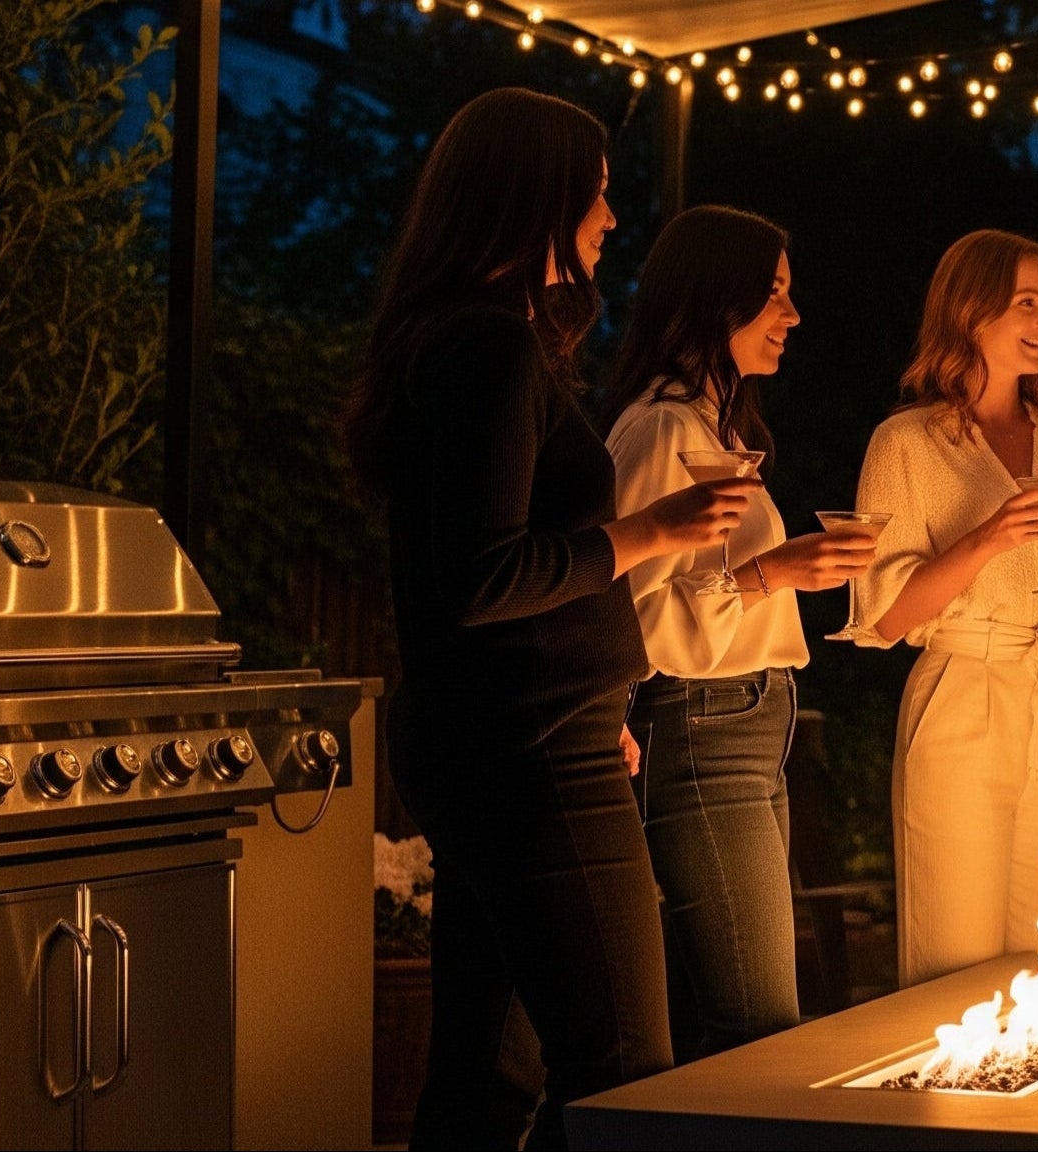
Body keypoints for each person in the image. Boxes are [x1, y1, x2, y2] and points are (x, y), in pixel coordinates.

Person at [344, 88, 756, 1150]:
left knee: (488, 1072)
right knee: (625, 1073)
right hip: (529, 759)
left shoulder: (454, 341)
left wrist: (591, 699)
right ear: (540, 199)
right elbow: (482, 578)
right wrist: (652, 530)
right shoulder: (488, 349)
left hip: (514, 740)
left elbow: (469, 592)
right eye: (599, 194)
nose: (610, 219)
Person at [600, 205, 873, 1059]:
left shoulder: (718, 429)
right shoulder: (661, 430)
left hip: (749, 728)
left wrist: (791, 571)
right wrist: (776, 571)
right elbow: (627, 610)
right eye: (774, 296)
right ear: (718, 299)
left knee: (740, 1016)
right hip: (701, 725)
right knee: (758, 1024)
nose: (791, 317)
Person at [852, 229, 1038, 988]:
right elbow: (883, 618)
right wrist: (984, 540)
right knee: (954, 955)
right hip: (966, 696)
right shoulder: (905, 443)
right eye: (1025, 304)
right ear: (971, 312)